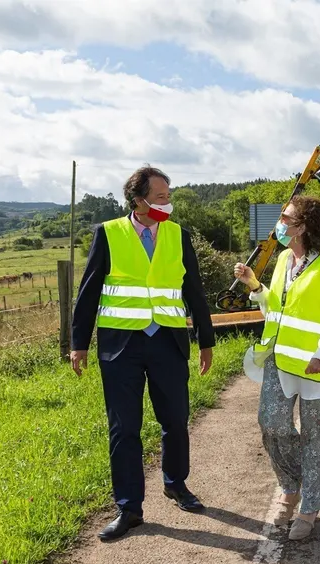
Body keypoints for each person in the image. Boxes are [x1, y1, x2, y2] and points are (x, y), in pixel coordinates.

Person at [70, 165, 216, 542]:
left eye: (169, 196)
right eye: (162, 197)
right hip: (121, 348)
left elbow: (193, 291)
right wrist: (78, 344)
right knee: (124, 429)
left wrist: (206, 339)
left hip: (168, 343)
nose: (169, 203)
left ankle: (176, 484)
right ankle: (129, 508)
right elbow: (88, 292)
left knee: (176, 419)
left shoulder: (179, 236)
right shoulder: (108, 234)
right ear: (140, 200)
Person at [232, 196, 320, 541]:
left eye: (286, 218)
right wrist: (256, 285)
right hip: (280, 360)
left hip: (317, 368)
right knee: (271, 423)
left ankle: (309, 506)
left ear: (304, 227)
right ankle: (291, 484)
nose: (280, 223)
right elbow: (278, 307)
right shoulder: (285, 258)